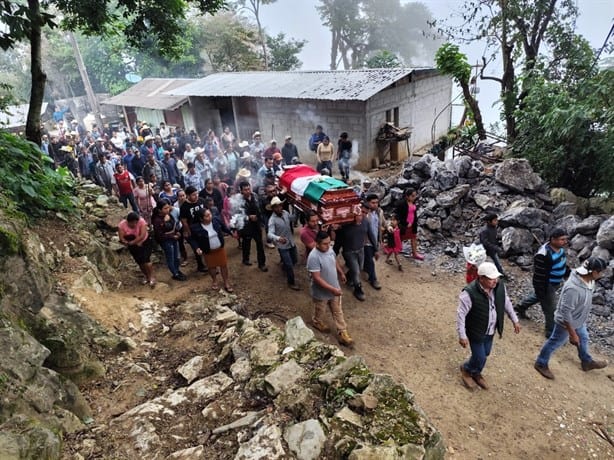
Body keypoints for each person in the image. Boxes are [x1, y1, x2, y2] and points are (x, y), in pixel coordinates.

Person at [534, 257, 608, 379]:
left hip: (578, 320)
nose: (602, 274)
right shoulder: (573, 289)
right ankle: (541, 363)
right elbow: (565, 312)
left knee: (584, 338)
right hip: (566, 323)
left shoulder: (590, 281)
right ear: (594, 272)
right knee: (555, 342)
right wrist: (572, 333)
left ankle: (586, 361)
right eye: (601, 272)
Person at [457, 262, 521, 390]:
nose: (495, 281)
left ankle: (475, 372)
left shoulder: (499, 287)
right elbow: (461, 315)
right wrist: (462, 335)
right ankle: (467, 370)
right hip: (476, 331)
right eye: (491, 278)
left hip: (490, 330)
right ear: (481, 278)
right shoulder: (469, 293)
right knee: (479, 355)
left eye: (496, 278)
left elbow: (506, 302)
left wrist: (514, 319)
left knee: (485, 353)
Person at [516, 228, 569, 337]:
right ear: (553, 240)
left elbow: (563, 262)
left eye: (565, 239)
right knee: (551, 309)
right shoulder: (543, 255)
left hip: (555, 282)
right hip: (547, 285)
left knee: (538, 297)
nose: (565, 242)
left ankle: (520, 307)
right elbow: (539, 276)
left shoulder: (560, 249)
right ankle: (550, 332)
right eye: (562, 239)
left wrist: (568, 273)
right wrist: (541, 289)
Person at [307, 231, 353, 347]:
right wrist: (331, 289)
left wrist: (341, 273)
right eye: (325, 244)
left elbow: (334, 260)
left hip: (334, 288)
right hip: (321, 292)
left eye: (329, 243)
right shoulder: (313, 257)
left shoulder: (329, 249)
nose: (328, 246)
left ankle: (343, 332)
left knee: (337, 311)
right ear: (317, 243)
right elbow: (316, 278)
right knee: (320, 310)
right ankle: (317, 322)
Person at [336, 210, 376, 302]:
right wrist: (334, 252)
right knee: (356, 270)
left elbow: (370, 234)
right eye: (357, 215)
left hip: (360, 249)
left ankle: (349, 277)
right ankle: (358, 289)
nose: (360, 217)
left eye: (361, 215)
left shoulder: (365, 221)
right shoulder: (345, 226)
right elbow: (338, 240)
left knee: (359, 267)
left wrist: (376, 248)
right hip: (349, 252)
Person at [189, 209, 234, 292]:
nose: (210, 216)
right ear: (201, 219)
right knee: (211, 267)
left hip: (219, 249)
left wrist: (231, 233)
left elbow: (224, 227)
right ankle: (214, 280)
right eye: (207, 216)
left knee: (223, 265)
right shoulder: (195, 227)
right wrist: (197, 248)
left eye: (210, 214)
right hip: (208, 251)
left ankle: (226, 282)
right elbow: (192, 239)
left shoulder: (216, 220)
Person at [267, 196, 300, 291]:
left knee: (294, 260)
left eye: (280, 206)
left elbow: (293, 219)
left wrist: (297, 210)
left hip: (291, 242)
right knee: (289, 265)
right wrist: (278, 238)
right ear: (273, 208)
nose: (279, 208)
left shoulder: (285, 213)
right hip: (282, 246)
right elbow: (269, 234)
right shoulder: (272, 220)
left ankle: (284, 265)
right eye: (276, 207)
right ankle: (291, 282)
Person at [235, 181, 268, 272]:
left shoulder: (255, 196)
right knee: (246, 243)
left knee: (260, 244)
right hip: (246, 226)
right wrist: (248, 217)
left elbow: (261, 207)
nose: (248, 191)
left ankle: (262, 264)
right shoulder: (238, 201)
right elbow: (237, 215)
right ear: (241, 191)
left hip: (256, 225)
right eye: (245, 190)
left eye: (248, 189)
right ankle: (245, 259)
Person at [152, 199, 186, 281]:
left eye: (168, 207)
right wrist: (164, 223)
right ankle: (175, 273)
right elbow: (160, 235)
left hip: (174, 238)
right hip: (166, 240)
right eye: (165, 208)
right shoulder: (157, 220)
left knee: (177, 257)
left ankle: (177, 270)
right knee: (170, 257)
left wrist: (177, 232)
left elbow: (174, 225)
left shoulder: (169, 215)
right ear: (160, 210)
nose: (168, 210)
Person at [118, 212, 155, 286]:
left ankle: (151, 277)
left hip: (145, 241)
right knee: (140, 262)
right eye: (132, 223)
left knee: (146, 259)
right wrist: (128, 243)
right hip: (132, 243)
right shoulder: (122, 225)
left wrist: (135, 242)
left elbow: (142, 235)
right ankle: (146, 276)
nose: (134, 225)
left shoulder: (141, 222)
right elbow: (121, 238)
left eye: (136, 223)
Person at [180, 186, 208, 273]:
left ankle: (210, 263)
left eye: (196, 194)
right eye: (193, 195)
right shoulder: (184, 206)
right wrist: (188, 231)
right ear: (188, 196)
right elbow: (184, 221)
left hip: (204, 226)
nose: (196, 196)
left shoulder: (201, 200)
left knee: (206, 245)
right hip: (193, 229)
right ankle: (200, 265)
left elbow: (207, 211)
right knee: (197, 248)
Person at [395, 188, 424, 260]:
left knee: (413, 238)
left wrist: (414, 222)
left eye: (415, 196)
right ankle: (395, 250)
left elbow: (413, 213)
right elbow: (398, 215)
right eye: (412, 196)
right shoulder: (401, 204)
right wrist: (405, 223)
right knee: (400, 238)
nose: (414, 197)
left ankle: (415, 253)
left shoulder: (413, 203)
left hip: (413, 224)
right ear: (407, 196)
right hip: (404, 225)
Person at [363, 194, 385, 290]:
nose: (375, 205)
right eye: (373, 203)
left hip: (375, 240)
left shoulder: (379, 212)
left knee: (369, 258)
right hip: (366, 241)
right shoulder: (364, 214)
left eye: (376, 202)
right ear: (368, 202)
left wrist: (388, 227)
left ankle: (365, 269)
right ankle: (373, 279)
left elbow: (383, 222)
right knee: (371, 261)